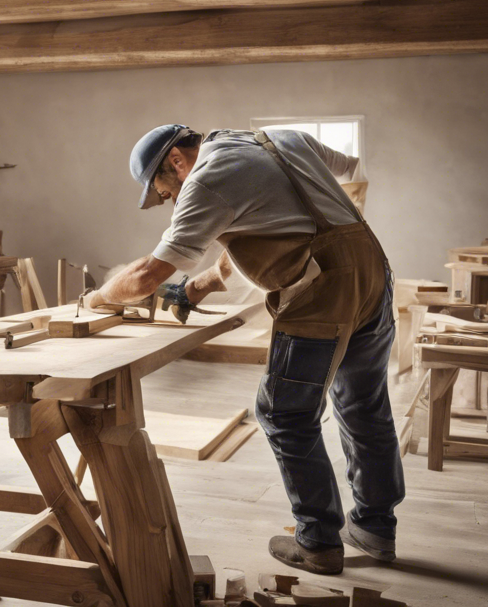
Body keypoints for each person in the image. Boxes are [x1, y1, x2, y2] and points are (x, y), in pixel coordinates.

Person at [84, 124, 403, 575]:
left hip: (324, 292)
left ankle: (317, 541)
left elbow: (143, 280)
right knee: (364, 404)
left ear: (177, 160)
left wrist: (95, 299)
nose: (174, 201)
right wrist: (197, 289)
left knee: (284, 413)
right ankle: (375, 527)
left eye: (166, 190)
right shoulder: (277, 139)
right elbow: (315, 193)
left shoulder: (205, 180)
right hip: (372, 270)